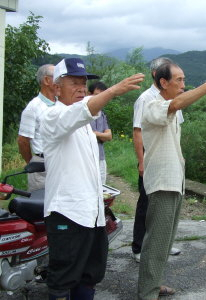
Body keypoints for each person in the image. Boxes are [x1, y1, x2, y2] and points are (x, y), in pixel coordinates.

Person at [40, 57, 144, 300]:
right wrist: (114, 90)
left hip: (92, 212)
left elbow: (85, 112)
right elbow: (82, 110)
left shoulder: (86, 123)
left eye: (83, 84)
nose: (80, 89)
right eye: (73, 83)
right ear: (56, 88)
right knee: (63, 277)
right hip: (67, 212)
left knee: (90, 274)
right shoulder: (53, 117)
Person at [137, 62, 206, 300]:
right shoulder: (149, 102)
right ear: (163, 82)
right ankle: (147, 292)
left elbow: (176, 106)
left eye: (184, 80)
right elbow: (176, 104)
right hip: (162, 181)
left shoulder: (168, 105)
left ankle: (153, 284)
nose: (183, 84)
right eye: (179, 80)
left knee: (166, 239)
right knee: (157, 241)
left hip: (173, 180)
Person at [132, 57, 183, 264]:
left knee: (163, 212)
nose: (181, 85)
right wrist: (141, 162)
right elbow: (137, 132)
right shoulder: (146, 98)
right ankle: (139, 247)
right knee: (146, 205)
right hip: (151, 160)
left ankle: (162, 245)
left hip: (168, 159)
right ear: (158, 76)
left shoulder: (171, 98)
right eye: (178, 79)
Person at [17, 64, 56, 191]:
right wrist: (32, 163)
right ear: (46, 80)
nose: (61, 81)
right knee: (40, 205)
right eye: (57, 76)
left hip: (59, 162)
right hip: (42, 164)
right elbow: (23, 141)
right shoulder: (33, 107)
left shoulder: (59, 104)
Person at [89, 81, 112, 184]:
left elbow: (109, 136)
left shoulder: (102, 114)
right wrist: (101, 135)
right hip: (87, 158)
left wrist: (94, 133)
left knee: (102, 189)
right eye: (96, 95)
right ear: (89, 94)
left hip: (101, 157)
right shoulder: (84, 114)